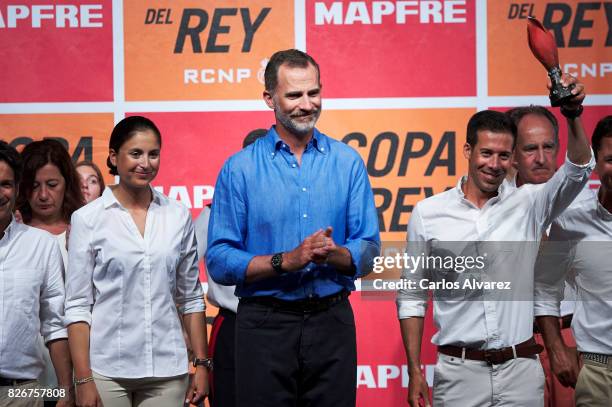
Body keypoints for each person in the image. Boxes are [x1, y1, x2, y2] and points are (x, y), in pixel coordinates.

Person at [397, 75, 593, 407]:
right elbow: (412, 297)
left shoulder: (531, 203)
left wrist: (573, 116)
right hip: (458, 375)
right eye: (486, 153)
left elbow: (577, 169)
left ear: (513, 158)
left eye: (504, 155)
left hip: (521, 371)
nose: (494, 164)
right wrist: (415, 370)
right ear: (468, 150)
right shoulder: (428, 213)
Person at [206, 49, 380, 407]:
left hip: (332, 321)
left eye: (313, 93)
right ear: (269, 98)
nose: (306, 104)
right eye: (294, 95)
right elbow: (220, 260)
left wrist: (337, 255)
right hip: (264, 324)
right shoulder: (238, 169)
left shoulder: (347, 163)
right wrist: (285, 260)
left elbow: (369, 249)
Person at [64, 116, 209, 407]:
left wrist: (203, 364)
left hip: (168, 368)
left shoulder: (177, 215)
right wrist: (83, 378)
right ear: (114, 157)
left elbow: (191, 297)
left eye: (153, 154)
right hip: (107, 370)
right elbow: (78, 305)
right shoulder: (87, 219)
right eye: (135, 153)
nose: (146, 162)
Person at [535, 115, 612, 407]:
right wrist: (555, 348)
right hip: (596, 371)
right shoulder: (571, 220)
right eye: (611, 159)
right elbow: (544, 289)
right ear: (595, 162)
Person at [507, 105, 577, 407]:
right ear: (512, 154)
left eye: (548, 147)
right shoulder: (492, 210)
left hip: (575, 338)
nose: (541, 158)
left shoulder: (588, 202)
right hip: (514, 342)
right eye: (530, 148)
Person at [194, 129, 266, 407]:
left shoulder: (294, 210)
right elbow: (181, 269)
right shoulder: (215, 213)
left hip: (283, 324)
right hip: (234, 325)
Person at [0, 141, 74, 407]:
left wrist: (67, 389)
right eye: (36, 185)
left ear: (16, 187)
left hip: (21, 391)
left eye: (5, 184)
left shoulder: (41, 244)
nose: (43, 195)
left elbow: (55, 322)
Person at [16, 139, 84, 403]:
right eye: (34, 186)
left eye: (52, 185)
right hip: (26, 374)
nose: (43, 195)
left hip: (85, 368)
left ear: (67, 183)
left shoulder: (86, 231)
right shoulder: (10, 235)